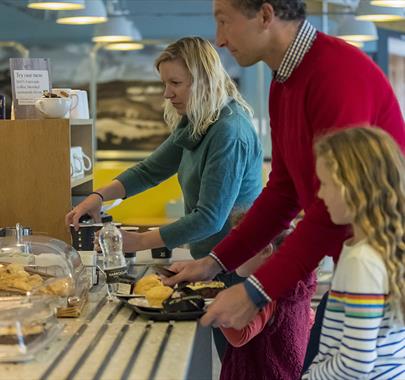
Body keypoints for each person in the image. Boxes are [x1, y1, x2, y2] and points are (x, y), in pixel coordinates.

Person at [164, 0, 405, 369]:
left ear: (265, 15)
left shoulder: (334, 74)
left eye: (224, 21)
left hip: (375, 273)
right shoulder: (283, 83)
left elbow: (332, 208)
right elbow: (283, 191)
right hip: (350, 269)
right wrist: (215, 262)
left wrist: (257, 291)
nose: (220, 38)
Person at [65, 36, 263, 358]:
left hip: (238, 267)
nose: (167, 93)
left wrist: (136, 242)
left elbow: (210, 217)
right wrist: (98, 196)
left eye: (175, 83)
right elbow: (149, 170)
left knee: (243, 365)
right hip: (213, 263)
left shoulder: (229, 131)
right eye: (164, 83)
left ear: (204, 81)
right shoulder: (198, 123)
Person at [302, 126, 405, 378]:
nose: (320, 194)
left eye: (325, 184)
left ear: (355, 188)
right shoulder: (378, 249)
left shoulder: (363, 260)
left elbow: (355, 363)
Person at [219, 215, 316, 380]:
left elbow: (240, 335)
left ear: (265, 250)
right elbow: (309, 317)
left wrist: (217, 309)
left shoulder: (266, 295)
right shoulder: (295, 288)